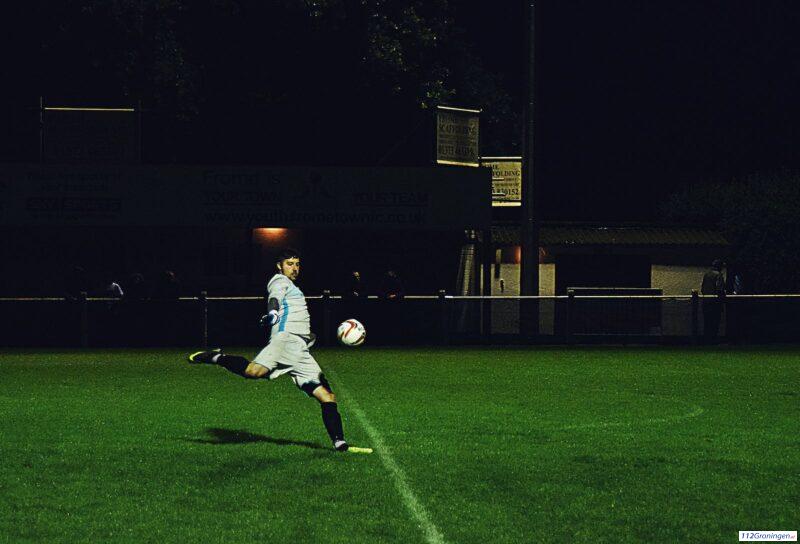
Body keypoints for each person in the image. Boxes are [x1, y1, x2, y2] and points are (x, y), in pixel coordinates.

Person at [187, 248, 349, 452]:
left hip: (300, 350)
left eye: (297, 264)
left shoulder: (293, 287)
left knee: (327, 396)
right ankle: (215, 357)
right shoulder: (279, 281)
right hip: (285, 340)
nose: (295, 268)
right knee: (253, 372)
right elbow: (275, 299)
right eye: (290, 264)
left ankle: (339, 442)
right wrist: (273, 313)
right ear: (279, 266)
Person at [701, 259, 726, 343]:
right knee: (715, 322)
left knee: (707, 322)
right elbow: (720, 289)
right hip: (715, 303)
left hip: (706, 301)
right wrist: (722, 300)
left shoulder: (707, 274)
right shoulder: (719, 275)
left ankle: (706, 340)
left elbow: (703, 289)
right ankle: (713, 340)